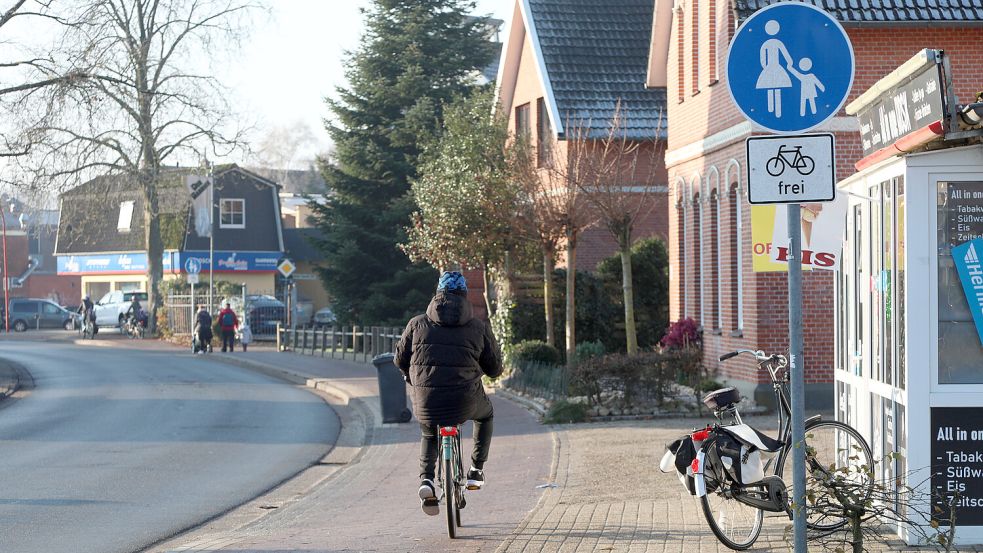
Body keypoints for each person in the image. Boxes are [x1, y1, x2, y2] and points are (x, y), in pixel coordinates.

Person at [394, 271, 503, 516]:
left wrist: (410, 377)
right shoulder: (478, 327)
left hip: (426, 398)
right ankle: (476, 470)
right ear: (465, 296)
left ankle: (427, 480)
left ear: (437, 294)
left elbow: (399, 359)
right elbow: (494, 369)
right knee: (485, 416)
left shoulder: (417, 323)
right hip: (466, 399)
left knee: (429, 432)